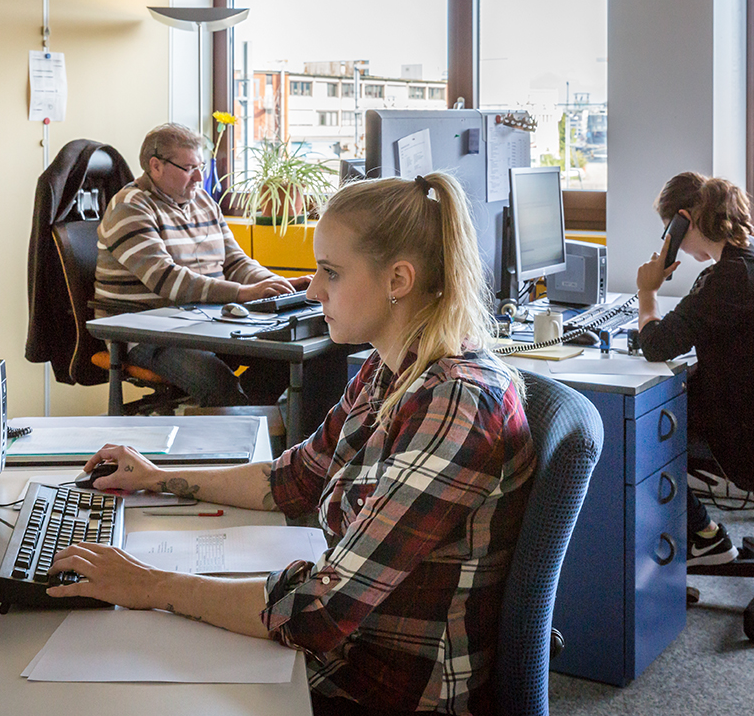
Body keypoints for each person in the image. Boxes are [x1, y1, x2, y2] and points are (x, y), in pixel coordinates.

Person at [50, 172, 537, 716]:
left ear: (398, 278)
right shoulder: (389, 368)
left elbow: (320, 610)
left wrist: (147, 584)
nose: (311, 291)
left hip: (386, 688)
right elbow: (293, 480)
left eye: (330, 272)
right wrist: (156, 477)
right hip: (346, 651)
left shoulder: (456, 405)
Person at [634, 172, 754, 567]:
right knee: (660, 404)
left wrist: (647, 292)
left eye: (670, 231)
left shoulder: (730, 278)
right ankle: (699, 535)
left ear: (684, 219)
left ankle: (704, 538)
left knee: (637, 432)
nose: (670, 242)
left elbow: (656, 345)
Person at [93, 123, 311, 406]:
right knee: (215, 381)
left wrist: (277, 285)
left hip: (207, 323)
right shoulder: (130, 206)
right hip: (148, 332)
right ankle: (235, 424)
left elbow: (235, 263)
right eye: (188, 168)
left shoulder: (204, 202)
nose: (199, 177)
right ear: (155, 166)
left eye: (201, 167)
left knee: (287, 358)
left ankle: (251, 426)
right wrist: (244, 293)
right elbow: (167, 280)